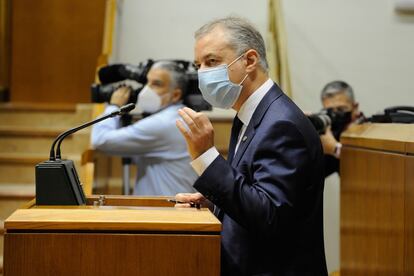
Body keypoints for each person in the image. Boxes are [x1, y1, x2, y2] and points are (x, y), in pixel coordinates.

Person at [175, 17, 327, 275]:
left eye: (212, 61)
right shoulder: (251, 113)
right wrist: (217, 204)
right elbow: (252, 193)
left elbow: (269, 216)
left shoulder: (282, 124)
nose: (202, 73)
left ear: (249, 61)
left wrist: (207, 157)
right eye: (198, 64)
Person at [91, 61, 198, 195]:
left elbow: (100, 140)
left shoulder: (163, 123)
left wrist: (114, 106)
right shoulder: (177, 116)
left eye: (156, 84)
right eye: (147, 82)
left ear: (176, 95)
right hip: (169, 207)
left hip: (165, 212)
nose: (147, 89)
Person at [319, 81, 365, 177]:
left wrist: (335, 149)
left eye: (341, 109)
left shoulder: (368, 130)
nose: (336, 115)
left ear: (355, 107)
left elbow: (367, 167)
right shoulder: (333, 134)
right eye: (330, 111)